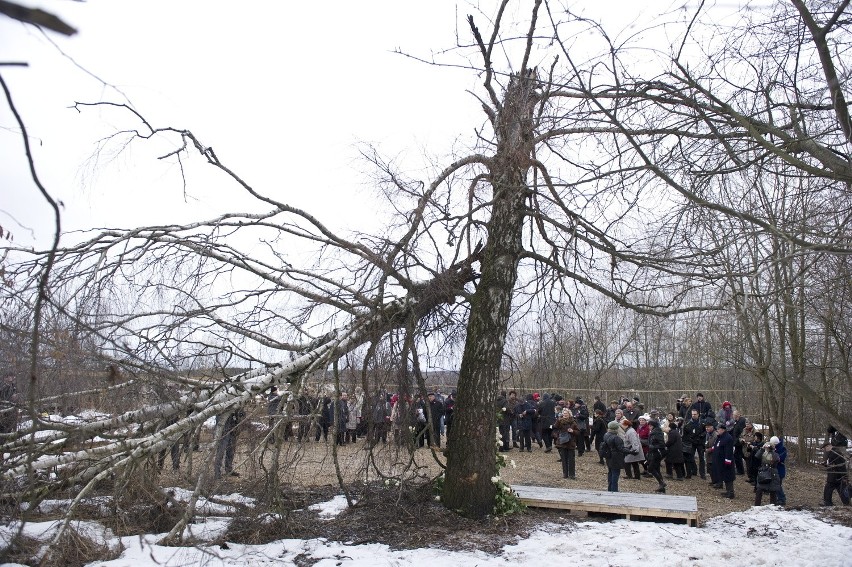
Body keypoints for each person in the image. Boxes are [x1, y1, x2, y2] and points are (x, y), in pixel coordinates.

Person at [602, 420, 636, 492]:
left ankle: (610, 489)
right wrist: (630, 451)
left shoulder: (606, 435)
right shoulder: (616, 438)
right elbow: (621, 449)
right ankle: (614, 490)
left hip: (609, 456)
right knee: (615, 474)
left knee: (610, 472)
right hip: (616, 457)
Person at [214, 405, 246, 479]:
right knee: (221, 450)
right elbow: (219, 414)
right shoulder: (222, 399)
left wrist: (240, 414)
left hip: (233, 427)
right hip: (223, 429)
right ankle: (217, 472)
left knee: (231, 450)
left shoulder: (238, 400)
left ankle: (229, 469)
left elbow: (242, 412)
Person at [820, 441, 850, 506]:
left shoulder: (835, 453)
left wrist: (844, 476)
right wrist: (826, 465)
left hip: (835, 476)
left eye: (825, 448)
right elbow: (832, 464)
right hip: (834, 475)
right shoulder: (832, 453)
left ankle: (828, 503)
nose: (825, 450)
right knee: (840, 488)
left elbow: (841, 465)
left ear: (829, 446)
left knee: (829, 488)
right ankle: (846, 502)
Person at [712, 422, 736, 498]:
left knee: (728, 476)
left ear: (722, 430)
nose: (717, 431)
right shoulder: (720, 437)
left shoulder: (728, 438)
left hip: (726, 461)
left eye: (718, 429)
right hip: (720, 461)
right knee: (724, 476)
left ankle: (731, 492)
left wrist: (727, 461)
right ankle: (728, 491)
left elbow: (729, 451)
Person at [552, 407, 578, 479]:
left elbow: (578, 432)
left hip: (571, 442)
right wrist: (557, 436)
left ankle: (572, 474)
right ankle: (565, 474)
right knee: (564, 459)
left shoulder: (573, 422)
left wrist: (573, 431)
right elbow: (554, 429)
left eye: (566, 413)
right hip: (562, 442)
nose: (565, 415)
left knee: (571, 459)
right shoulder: (559, 421)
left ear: (569, 414)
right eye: (564, 414)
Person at [753, 441, 781, 505]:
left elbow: (776, 460)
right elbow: (757, 456)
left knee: (773, 491)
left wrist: (771, 450)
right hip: (763, 472)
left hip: (772, 473)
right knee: (759, 490)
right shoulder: (763, 453)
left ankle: (773, 506)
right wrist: (762, 448)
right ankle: (756, 506)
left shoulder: (774, 454)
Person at [683, 409, 706, 479]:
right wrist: (689, 439)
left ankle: (702, 474)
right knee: (690, 458)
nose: (693, 416)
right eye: (692, 414)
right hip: (692, 443)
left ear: (698, 414)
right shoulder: (688, 423)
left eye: (695, 414)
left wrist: (702, 435)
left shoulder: (702, 422)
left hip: (700, 442)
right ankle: (692, 472)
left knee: (701, 458)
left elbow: (706, 431)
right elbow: (685, 433)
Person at [647, 420, 668, 493]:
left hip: (657, 452)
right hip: (655, 452)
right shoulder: (654, 432)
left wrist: (652, 446)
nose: (649, 427)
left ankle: (662, 483)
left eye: (650, 426)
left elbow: (661, 444)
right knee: (657, 469)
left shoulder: (657, 432)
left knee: (651, 468)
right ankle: (661, 487)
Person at [771, 435, 787, 505]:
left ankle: (782, 499)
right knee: (776, 485)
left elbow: (780, 458)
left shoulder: (782, 449)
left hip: (779, 470)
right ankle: (777, 498)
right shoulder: (774, 449)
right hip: (774, 470)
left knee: (778, 485)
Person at [703, 419, 719, 486]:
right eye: (706, 427)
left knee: (715, 469)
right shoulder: (707, 434)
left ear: (712, 427)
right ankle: (713, 481)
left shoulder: (716, 435)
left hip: (714, 455)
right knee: (710, 469)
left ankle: (717, 482)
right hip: (708, 455)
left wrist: (709, 450)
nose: (707, 428)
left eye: (708, 427)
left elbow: (716, 446)